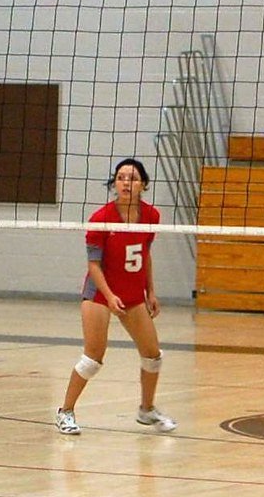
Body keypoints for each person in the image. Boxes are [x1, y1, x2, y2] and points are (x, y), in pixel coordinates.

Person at [55, 158, 176, 435]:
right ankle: (65, 411)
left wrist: (151, 291)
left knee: (153, 356)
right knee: (93, 358)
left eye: (132, 178)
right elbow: (93, 265)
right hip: (100, 294)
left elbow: (145, 254)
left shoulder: (151, 216)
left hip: (132, 294)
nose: (125, 183)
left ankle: (146, 410)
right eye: (121, 178)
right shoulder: (101, 218)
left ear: (143, 184)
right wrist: (109, 296)